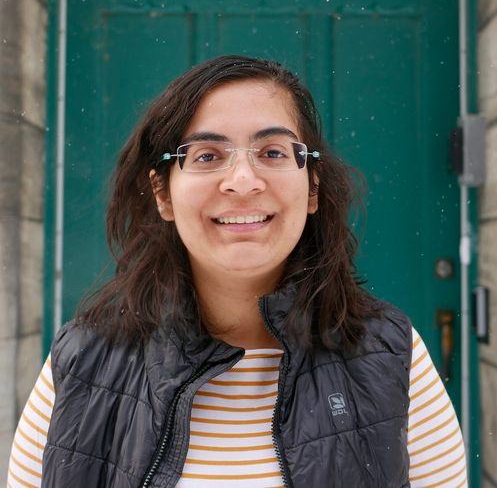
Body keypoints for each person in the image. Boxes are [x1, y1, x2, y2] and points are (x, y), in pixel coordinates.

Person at [8, 55, 467, 487]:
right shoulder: (84, 361)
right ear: (163, 193)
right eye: (207, 155)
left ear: (312, 186)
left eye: (273, 152)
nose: (243, 181)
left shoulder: (389, 354)